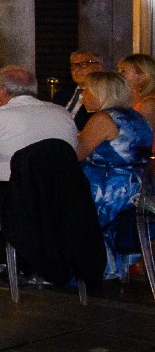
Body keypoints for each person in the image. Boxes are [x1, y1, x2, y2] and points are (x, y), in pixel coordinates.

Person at [0, 66, 80, 238]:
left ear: (2, 92)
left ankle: (2, 253)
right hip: (61, 193)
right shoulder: (63, 114)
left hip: (14, 193)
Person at [75, 70, 152, 279]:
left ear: (101, 93)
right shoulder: (137, 117)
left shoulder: (103, 118)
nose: (83, 97)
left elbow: (77, 154)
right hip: (137, 188)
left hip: (109, 189)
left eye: (87, 91)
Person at [58, 51, 103, 131]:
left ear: (99, 67)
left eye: (83, 64)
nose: (77, 69)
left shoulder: (102, 94)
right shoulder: (62, 93)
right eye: (73, 65)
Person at [118, 54, 155, 130]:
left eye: (123, 71)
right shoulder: (126, 99)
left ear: (142, 77)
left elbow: (142, 136)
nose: (118, 74)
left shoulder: (148, 104)